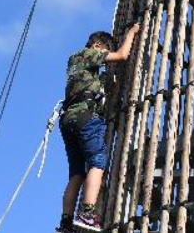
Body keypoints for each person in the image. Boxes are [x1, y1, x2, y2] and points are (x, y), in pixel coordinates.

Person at [56, 23, 140, 233]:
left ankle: (66, 222)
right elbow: (121, 55)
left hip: (68, 119)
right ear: (97, 45)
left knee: (76, 173)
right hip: (85, 117)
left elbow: (94, 84)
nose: (105, 57)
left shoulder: (74, 62)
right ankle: (86, 213)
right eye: (104, 51)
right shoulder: (88, 53)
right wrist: (131, 33)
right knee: (97, 162)